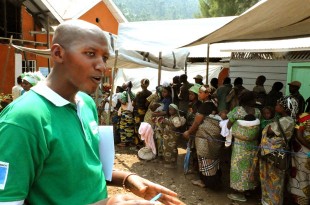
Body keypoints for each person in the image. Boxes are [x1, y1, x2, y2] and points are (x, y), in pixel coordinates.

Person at [0, 20, 183, 205]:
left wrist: (127, 178)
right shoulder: (23, 120)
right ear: (58, 53)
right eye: (90, 53)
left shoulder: (86, 103)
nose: (102, 66)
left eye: (104, 57)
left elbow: (85, 168)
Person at [259, 96, 297, 205]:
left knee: (274, 179)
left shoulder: (286, 120)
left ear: (284, 108)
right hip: (272, 153)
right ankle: (267, 201)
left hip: (275, 154)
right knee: (269, 178)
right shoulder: (281, 119)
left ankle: (273, 202)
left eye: (278, 105)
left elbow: (270, 131)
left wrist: (268, 127)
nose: (275, 107)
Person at [183, 86, 221, 190]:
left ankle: (205, 181)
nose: (199, 94)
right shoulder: (212, 104)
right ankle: (210, 181)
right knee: (210, 158)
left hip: (206, 137)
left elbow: (197, 122)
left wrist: (189, 132)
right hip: (211, 137)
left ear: (207, 94)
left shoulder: (205, 105)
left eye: (200, 92)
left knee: (204, 157)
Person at [226, 91, 261, 202]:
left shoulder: (238, 110)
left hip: (240, 146)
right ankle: (248, 189)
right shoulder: (257, 111)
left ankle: (239, 193)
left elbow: (228, 124)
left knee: (239, 167)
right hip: (253, 144)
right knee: (251, 167)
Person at [288, 112, 310, 205]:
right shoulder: (304, 117)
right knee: (301, 177)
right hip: (303, 153)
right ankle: (301, 201)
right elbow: (298, 135)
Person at [162, 104, 186, 169]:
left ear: (175, 110)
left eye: (172, 110)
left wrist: (167, 122)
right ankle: (169, 162)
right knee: (168, 148)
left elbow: (176, 126)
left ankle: (172, 163)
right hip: (169, 136)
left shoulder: (176, 117)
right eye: (169, 109)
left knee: (172, 149)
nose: (170, 111)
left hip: (172, 136)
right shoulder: (172, 116)